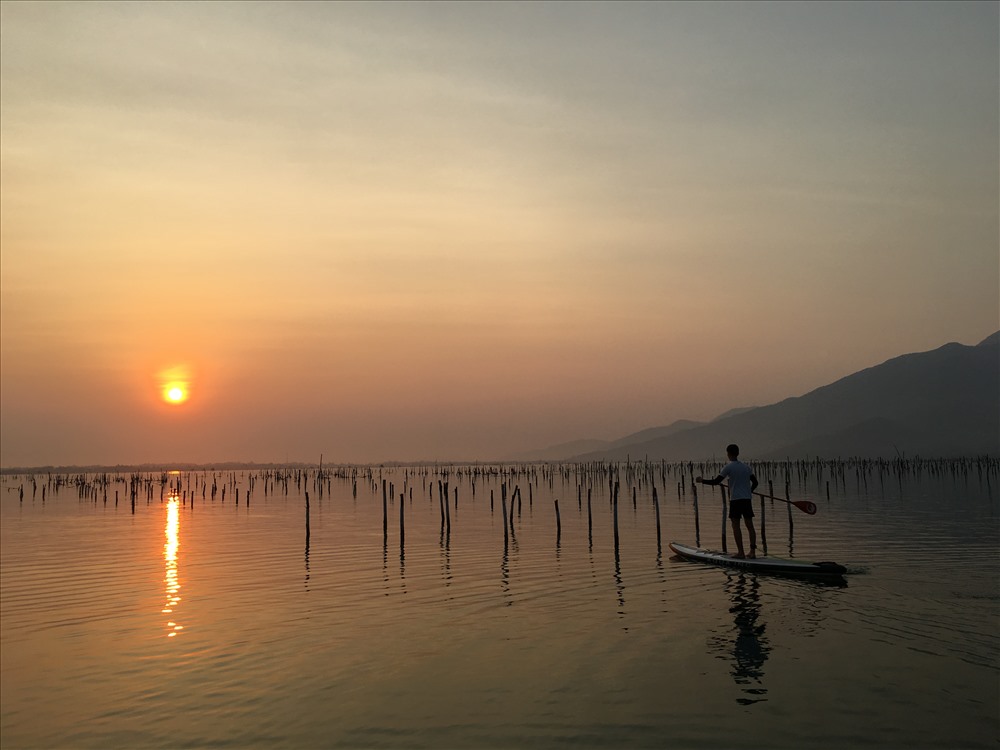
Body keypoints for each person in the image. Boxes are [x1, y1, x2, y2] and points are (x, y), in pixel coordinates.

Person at [696, 444, 759, 559]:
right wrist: (749, 491)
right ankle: (752, 552)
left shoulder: (728, 467)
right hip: (747, 500)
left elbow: (716, 481)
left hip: (736, 500)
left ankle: (741, 553)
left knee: (736, 526)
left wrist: (702, 480)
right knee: (750, 526)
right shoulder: (746, 467)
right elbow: (755, 483)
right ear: (738, 453)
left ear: (728, 454)